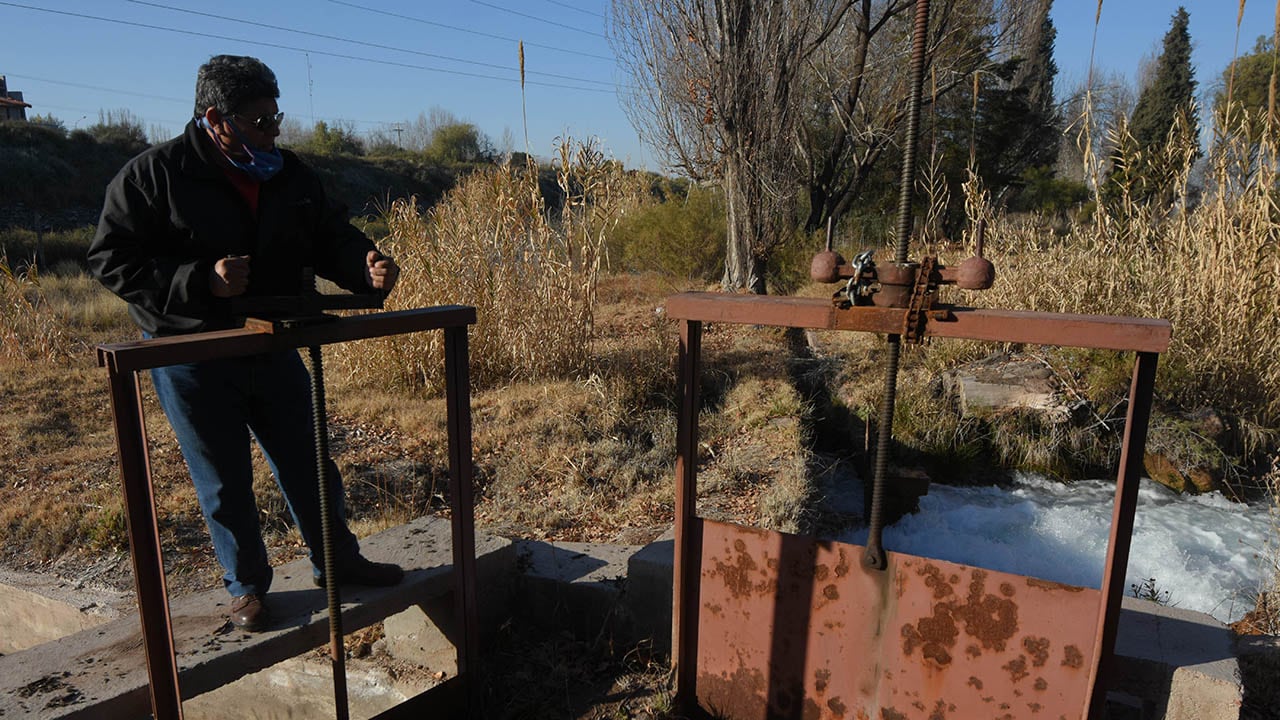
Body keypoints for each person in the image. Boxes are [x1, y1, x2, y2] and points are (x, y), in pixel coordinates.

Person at [88, 55, 404, 632]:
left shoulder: (287, 172)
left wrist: (366, 267)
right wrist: (199, 281)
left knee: (310, 462)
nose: (274, 130)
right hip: (191, 356)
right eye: (262, 120)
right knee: (224, 478)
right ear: (217, 118)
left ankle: (338, 562)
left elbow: (330, 234)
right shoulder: (153, 175)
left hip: (273, 343)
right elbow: (112, 260)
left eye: (276, 116)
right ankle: (248, 589)